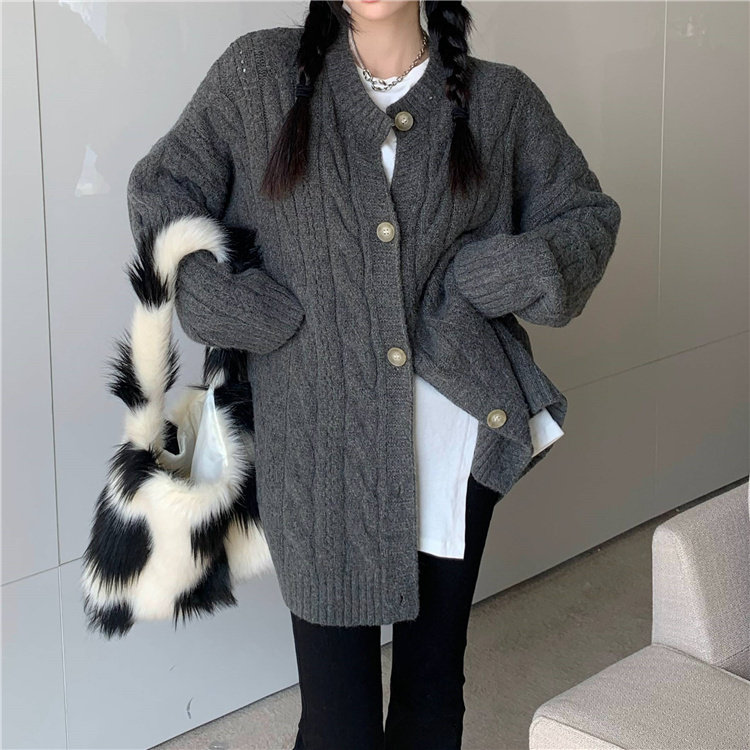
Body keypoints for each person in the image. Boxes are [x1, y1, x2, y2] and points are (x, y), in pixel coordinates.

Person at [126, 1, 622, 747]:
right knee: (338, 722)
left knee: (432, 693)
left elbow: (585, 216)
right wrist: (226, 303)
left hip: (452, 442)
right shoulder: (259, 74)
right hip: (317, 442)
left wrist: (491, 274)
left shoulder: (500, 99)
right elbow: (161, 190)